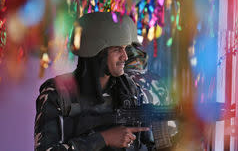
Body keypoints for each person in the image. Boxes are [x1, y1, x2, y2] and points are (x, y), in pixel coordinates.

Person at [34, 12, 154, 150]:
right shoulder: (58, 93)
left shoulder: (130, 90)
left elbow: (147, 144)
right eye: (117, 50)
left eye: (125, 49)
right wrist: (103, 138)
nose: (125, 57)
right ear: (96, 53)